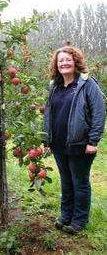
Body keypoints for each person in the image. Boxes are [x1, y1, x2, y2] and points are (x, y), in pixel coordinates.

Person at [44, 45, 105, 234]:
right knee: (66, 180)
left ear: (75, 61)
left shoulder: (87, 84)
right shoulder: (54, 86)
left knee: (79, 182)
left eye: (67, 59)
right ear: (56, 64)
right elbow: (49, 114)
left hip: (81, 144)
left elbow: (98, 113)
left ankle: (79, 221)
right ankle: (65, 215)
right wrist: (46, 139)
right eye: (60, 60)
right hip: (59, 143)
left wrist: (93, 141)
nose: (64, 63)